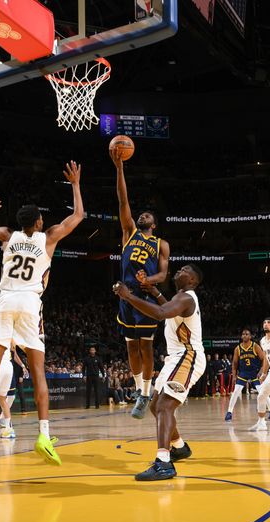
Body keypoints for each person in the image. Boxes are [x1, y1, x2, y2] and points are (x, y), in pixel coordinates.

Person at [0, 160, 83, 468]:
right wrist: (75, 184)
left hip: (5, 302)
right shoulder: (49, 238)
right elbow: (79, 216)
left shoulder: (7, 235)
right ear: (39, 223)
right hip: (31, 304)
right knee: (39, 371)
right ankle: (44, 435)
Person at [113, 264, 205, 481]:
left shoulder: (187, 298)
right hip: (176, 358)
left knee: (164, 406)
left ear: (192, 281)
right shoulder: (180, 299)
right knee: (156, 406)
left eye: (185, 270)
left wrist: (128, 297)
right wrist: (154, 291)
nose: (179, 271)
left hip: (187, 357)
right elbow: (168, 312)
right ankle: (180, 447)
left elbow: (161, 313)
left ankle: (164, 464)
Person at [110, 149, 170, 420]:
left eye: (147, 216)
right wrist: (120, 168)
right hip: (125, 295)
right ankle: (139, 391)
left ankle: (146, 392)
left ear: (154, 224)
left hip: (145, 298)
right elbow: (123, 200)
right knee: (130, 346)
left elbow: (164, 275)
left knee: (146, 347)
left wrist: (151, 280)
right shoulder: (129, 232)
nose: (142, 216)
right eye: (141, 214)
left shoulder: (161, 244)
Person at [225, 328, 270, 422]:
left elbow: (264, 359)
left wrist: (261, 371)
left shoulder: (255, 346)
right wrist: (234, 375)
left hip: (254, 373)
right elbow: (235, 363)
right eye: (243, 334)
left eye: (247, 334)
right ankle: (229, 412)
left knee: (262, 392)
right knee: (236, 391)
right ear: (241, 336)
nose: (245, 335)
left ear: (250, 336)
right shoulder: (238, 348)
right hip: (243, 373)